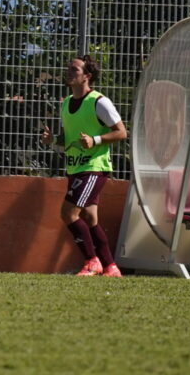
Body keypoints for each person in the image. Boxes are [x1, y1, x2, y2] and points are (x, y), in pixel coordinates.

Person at [39, 55, 127, 277]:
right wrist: (53, 141)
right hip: (75, 168)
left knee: (68, 213)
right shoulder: (67, 103)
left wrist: (95, 141)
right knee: (89, 218)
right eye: (69, 67)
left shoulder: (99, 102)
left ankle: (92, 261)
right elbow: (69, 140)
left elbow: (121, 132)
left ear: (87, 76)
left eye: (75, 69)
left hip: (94, 167)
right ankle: (111, 267)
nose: (70, 71)